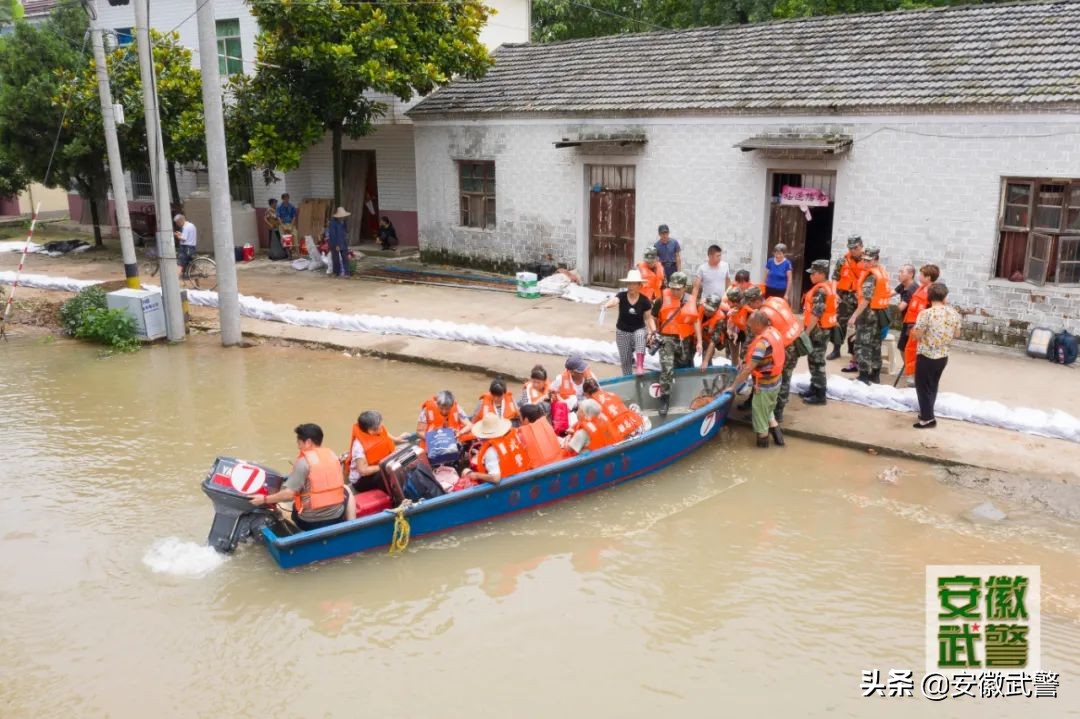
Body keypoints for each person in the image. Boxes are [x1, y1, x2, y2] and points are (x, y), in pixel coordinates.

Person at [248, 423, 355, 530]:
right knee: (346, 489)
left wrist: (264, 499)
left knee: (287, 505)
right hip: (336, 516)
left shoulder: (303, 463)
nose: (298, 446)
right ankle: (352, 525)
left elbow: (288, 495)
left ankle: (295, 530)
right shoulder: (332, 456)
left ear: (308, 442)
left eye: (299, 443)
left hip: (310, 522)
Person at [728, 311, 785, 448]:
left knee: (761, 424)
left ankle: (762, 451)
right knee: (769, 414)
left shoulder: (762, 344)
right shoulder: (773, 332)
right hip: (776, 382)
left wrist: (733, 386)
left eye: (751, 325)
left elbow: (748, 370)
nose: (749, 327)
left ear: (758, 325)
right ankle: (780, 444)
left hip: (764, 387)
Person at [650, 271, 702, 417]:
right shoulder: (661, 300)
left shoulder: (692, 301)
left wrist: (699, 342)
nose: (674, 291)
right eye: (672, 288)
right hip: (667, 338)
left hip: (684, 339)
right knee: (667, 368)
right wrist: (654, 333)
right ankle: (664, 398)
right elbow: (652, 317)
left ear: (685, 287)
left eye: (678, 288)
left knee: (685, 365)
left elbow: (696, 320)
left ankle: (687, 396)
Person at [911, 282, 962, 429]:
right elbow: (957, 334)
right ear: (945, 296)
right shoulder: (953, 313)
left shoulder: (926, 314)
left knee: (922, 387)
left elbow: (918, 334)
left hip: (926, 355)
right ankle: (927, 413)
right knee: (933, 385)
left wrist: (913, 331)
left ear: (929, 296)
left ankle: (927, 418)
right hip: (943, 355)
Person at [847, 246, 892, 384]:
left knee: (862, 344)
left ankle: (864, 376)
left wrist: (854, 316)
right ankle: (875, 375)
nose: (865, 263)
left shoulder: (871, 276)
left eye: (868, 260)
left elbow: (866, 299)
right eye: (864, 260)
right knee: (875, 344)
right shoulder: (882, 272)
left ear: (876, 259)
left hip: (868, 315)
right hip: (879, 313)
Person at [756, 293, 802, 423]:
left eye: (750, 303)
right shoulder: (775, 301)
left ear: (756, 301)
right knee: (786, 379)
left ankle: (775, 412)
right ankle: (778, 412)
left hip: (786, 348)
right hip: (794, 341)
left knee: (778, 379)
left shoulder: (764, 314)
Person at [603, 269, 656, 376]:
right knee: (626, 360)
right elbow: (615, 300)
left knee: (641, 336)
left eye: (634, 284)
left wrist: (653, 331)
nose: (631, 286)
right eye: (629, 284)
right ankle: (628, 378)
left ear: (639, 285)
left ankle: (640, 366)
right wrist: (606, 305)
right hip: (623, 331)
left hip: (638, 329)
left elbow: (649, 318)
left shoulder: (645, 301)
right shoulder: (622, 295)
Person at [799, 259, 837, 406]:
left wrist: (806, 332)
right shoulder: (827, 286)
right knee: (813, 360)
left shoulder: (821, 290)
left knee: (817, 362)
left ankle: (820, 394)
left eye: (813, 273)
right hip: (820, 330)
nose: (810, 276)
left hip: (818, 331)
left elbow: (816, 313)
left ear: (821, 274)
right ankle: (814, 387)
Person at [346, 410, 409, 491]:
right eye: (379, 425)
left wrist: (397, 439)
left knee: (405, 458)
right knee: (386, 475)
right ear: (371, 431)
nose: (382, 426)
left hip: (381, 466)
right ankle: (396, 498)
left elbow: (386, 437)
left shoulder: (379, 430)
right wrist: (384, 466)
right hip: (362, 480)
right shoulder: (358, 446)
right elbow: (363, 471)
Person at [900, 264, 940, 385]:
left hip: (920, 325)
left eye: (922, 275)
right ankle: (912, 374)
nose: (919, 276)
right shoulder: (921, 288)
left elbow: (935, 308)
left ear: (928, 277)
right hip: (911, 323)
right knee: (909, 349)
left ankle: (915, 377)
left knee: (914, 351)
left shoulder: (933, 291)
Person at [461, 413, 530, 484]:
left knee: (465, 471)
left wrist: (476, 475)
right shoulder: (514, 435)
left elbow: (496, 478)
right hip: (525, 474)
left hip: (509, 485)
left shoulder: (491, 451)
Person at [831, 234, 865, 362]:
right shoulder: (843, 260)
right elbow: (835, 278)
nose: (852, 250)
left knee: (860, 324)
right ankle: (836, 350)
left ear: (861, 246)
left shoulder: (868, 260)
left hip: (860, 297)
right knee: (840, 323)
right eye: (850, 248)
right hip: (844, 296)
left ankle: (856, 354)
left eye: (855, 247)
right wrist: (834, 293)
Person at [698, 293, 728, 369]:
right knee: (685, 357)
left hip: (708, 339)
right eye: (706, 309)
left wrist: (705, 361)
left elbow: (713, 342)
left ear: (717, 309)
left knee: (706, 361)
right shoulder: (699, 306)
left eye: (710, 310)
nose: (707, 312)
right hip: (695, 336)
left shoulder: (719, 320)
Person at [327, 206, 350, 278]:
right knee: (335, 259)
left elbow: (346, 231)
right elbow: (332, 235)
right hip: (335, 243)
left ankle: (347, 273)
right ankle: (336, 272)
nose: (342, 217)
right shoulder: (333, 223)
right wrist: (336, 245)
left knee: (345, 258)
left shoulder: (343, 222)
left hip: (343, 242)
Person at [173, 214, 197, 278]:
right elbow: (188, 236)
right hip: (192, 247)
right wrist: (180, 234)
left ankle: (175, 279)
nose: (177, 225)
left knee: (180, 263)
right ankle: (190, 277)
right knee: (188, 263)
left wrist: (177, 236)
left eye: (177, 223)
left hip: (186, 247)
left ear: (180, 221)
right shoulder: (191, 225)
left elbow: (183, 238)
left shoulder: (186, 227)